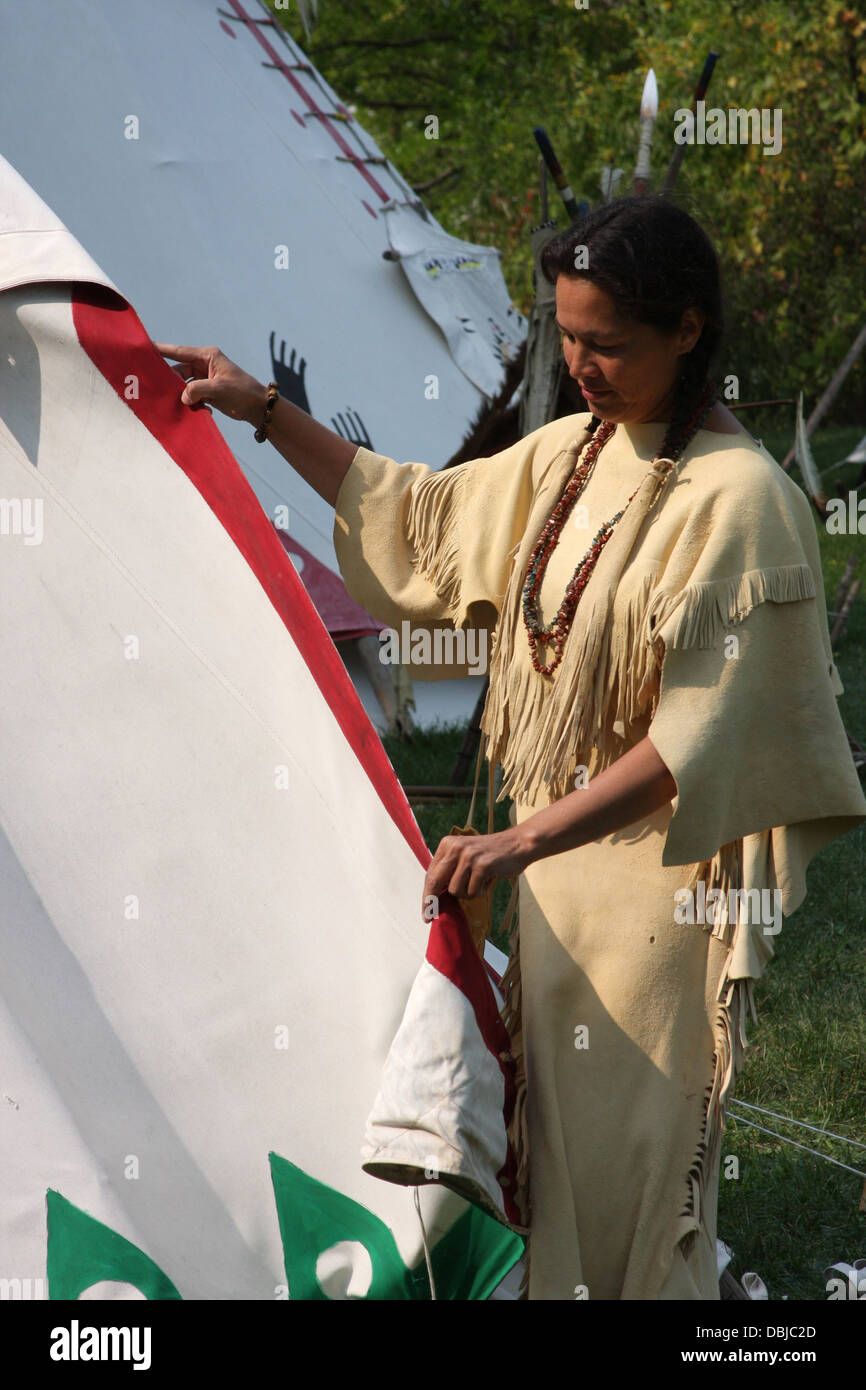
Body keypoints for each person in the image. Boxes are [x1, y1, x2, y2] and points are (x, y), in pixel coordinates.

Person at [154, 194, 866, 1300]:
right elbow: (421, 518)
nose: (579, 362)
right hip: (545, 891)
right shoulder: (573, 454)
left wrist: (521, 839)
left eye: (607, 343)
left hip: (650, 908)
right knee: (541, 1177)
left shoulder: (745, 505)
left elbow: (699, 739)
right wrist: (263, 410)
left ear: (687, 331)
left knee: (629, 1185)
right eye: (567, 335)